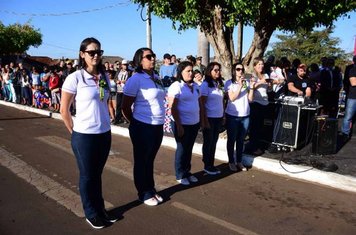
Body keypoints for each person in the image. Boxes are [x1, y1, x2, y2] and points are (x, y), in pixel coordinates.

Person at [60, 37, 118, 229]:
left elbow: (106, 101)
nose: (95, 56)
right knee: (87, 175)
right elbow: (64, 110)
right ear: (82, 54)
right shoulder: (75, 77)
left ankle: (100, 209)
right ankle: (90, 212)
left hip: (104, 133)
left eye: (98, 52)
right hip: (84, 135)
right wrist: (75, 133)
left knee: (97, 174)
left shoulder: (104, 76)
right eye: (91, 52)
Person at [121, 48, 165, 206]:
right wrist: (135, 122)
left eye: (153, 56)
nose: (153, 59)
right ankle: (143, 192)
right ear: (140, 60)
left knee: (150, 160)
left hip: (157, 125)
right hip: (142, 126)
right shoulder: (136, 79)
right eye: (149, 57)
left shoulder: (156, 77)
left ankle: (150, 188)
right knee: (141, 160)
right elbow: (125, 106)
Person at [168, 61, 201, 185]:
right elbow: (173, 108)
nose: (191, 73)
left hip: (194, 123)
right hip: (181, 123)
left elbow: (199, 103)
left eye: (192, 70)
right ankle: (180, 174)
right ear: (180, 72)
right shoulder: (176, 86)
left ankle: (187, 172)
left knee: (189, 148)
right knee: (182, 148)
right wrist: (179, 125)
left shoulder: (196, 86)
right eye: (188, 71)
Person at [225, 63, 255, 171]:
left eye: (242, 69)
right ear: (234, 70)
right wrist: (239, 86)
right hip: (233, 116)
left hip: (245, 115)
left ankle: (239, 161)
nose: (240, 71)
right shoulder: (229, 83)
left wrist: (251, 87)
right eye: (238, 69)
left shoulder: (246, 83)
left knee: (241, 140)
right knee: (231, 139)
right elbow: (232, 98)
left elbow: (250, 99)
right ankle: (231, 162)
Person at [200, 62, 224, 175]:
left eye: (219, 70)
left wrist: (223, 116)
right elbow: (202, 104)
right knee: (208, 142)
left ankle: (211, 164)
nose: (218, 72)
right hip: (209, 118)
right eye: (215, 70)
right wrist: (204, 121)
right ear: (209, 71)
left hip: (218, 118)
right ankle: (207, 165)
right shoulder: (205, 85)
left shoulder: (218, 84)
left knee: (213, 142)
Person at [245, 57, 272, 155]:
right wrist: (261, 82)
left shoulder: (266, 75)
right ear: (255, 66)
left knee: (261, 126)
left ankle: (259, 146)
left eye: (262, 64)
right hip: (255, 103)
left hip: (265, 102)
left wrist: (270, 85)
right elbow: (248, 88)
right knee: (254, 127)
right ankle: (253, 147)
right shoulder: (250, 76)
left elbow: (268, 90)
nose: (261, 66)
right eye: (259, 64)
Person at [341, 67, 356, 140]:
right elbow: (353, 83)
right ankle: (345, 134)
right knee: (348, 117)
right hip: (353, 97)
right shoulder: (353, 70)